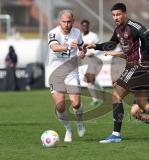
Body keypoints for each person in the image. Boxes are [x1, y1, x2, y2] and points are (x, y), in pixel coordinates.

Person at [84, 3, 149, 143]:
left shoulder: (134, 26)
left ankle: (116, 135)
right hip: (132, 68)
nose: (115, 17)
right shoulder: (118, 30)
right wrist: (95, 46)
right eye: (114, 15)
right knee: (141, 102)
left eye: (118, 14)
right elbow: (111, 44)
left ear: (125, 14)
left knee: (116, 96)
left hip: (137, 67)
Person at [47, 9, 86, 142]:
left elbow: (82, 49)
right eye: (64, 22)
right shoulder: (53, 33)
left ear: (73, 22)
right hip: (55, 72)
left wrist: (82, 53)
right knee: (60, 106)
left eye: (69, 22)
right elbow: (54, 47)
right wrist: (68, 46)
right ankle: (68, 129)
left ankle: (80, 121)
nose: (67, 24)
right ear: (60, 22)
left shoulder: (77, 33)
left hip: (71, 70)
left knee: (76, 103)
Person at [80, 19, 103, 106]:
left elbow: (100, 47)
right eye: (83, 25)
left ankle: (95, 99)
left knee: (89, 81)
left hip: (93, 59)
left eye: (86, 25)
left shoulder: (93, 36)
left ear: (88, 26)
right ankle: (102, 91)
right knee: (90, 80)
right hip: (84, 60)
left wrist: (92, 53)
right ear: (81, 27)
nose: (85, 27)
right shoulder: (80, 37)